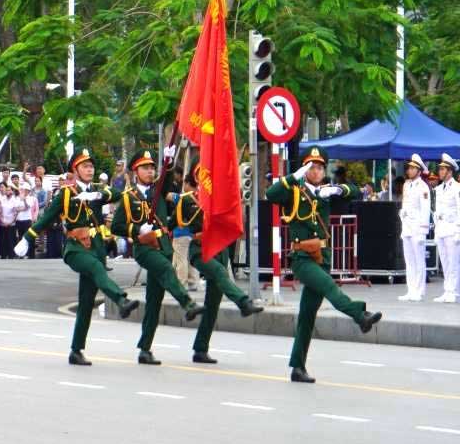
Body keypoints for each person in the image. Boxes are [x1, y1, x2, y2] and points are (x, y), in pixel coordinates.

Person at [14, 148, 140, 365]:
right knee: (96, 269)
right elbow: (47, 218)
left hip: (96, 249)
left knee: (86, 303)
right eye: (85, 166)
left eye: (91, 166)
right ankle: (121, 300)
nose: (90, 170)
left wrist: (97, 195)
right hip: (75, 249)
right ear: (75, 170)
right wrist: (27, 238)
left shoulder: (98, 190)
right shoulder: (66, 194)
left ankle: (76, 350)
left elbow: (119, 194)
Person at [265, 146, 382, 382]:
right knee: (329, 287)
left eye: (320, 167)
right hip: (302, 258)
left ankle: (298, 367)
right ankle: (360, 315)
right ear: (304, 170)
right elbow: (271, 194)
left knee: (307, 316)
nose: (316, 171)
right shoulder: (294, 192)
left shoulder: (324, 193)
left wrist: (338, 188)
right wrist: (293, 177)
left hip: (323, 257)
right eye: (311, 167)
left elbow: (357, 192)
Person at [108, 148, 205, 365]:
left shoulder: (159, 190)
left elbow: (167, 178)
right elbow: (116, 226)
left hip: (163, 247)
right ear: (135, 171)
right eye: (145, 168)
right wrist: (137, 230)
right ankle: (187, 304)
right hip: (145, 248)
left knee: (154, 302)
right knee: (166, 269)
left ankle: (145, 349)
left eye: (152, 167)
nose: (150, 171)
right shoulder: (128, 197)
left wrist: (168, 162)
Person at [169, 167, 264, 363]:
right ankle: (243, 302)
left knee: (212, 305)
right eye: (201, 173)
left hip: (220, 251)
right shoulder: (187, 200)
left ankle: (200, 349)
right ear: (196, 177)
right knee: (220, 272)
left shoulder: (221, 198)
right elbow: (170, 224)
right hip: (200, 250)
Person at [398, 153, 431, 302]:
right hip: (407, 227)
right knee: (409, 261)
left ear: (419, 170)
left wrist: (423, 230)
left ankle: (419, 290)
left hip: (418, 228)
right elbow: (405, 204)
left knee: (419, 260)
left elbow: (425, 210)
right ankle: (411, 290)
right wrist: (402, 213)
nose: (409, 170)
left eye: (412, 168)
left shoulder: (423, 187)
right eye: (409, 168)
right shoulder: (406, 184)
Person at [434, 154, 459, 303]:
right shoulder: (439, 189)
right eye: (440, 169)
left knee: (453, 262)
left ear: (450, 171)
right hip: (441, 229)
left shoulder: (457, 188)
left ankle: (454, 292)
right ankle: (447, 290)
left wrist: (459, 231)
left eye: (443, 169)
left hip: (452, 229)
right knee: (445, 262)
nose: (440, 172)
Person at [15, 183, 37, 258]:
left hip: (27, 220)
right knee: (20, 238)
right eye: (23, 189)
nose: (24, 191)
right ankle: (21, 254)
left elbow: (27, 206)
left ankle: (31, 255)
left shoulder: (31, 198)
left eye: (25, 190)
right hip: (19, 220)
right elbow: (16, 208)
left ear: (28, 191)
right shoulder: (17, 198)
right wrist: (23, 208)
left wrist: (24, 200)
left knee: (28, 237)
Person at [0, 183, 19, 258]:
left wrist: (10, 222)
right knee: (3, 241)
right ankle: (3, 255)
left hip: (11, 224)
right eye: (6, 190)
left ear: (12, 191)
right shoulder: (2, 199)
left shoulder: (15, 200)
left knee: (11, 241)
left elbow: (16, 214)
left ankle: (11, 256)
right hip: (3, 223)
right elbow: (0, 212)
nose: (7, 191)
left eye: (9, 190)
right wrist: (2, 221)